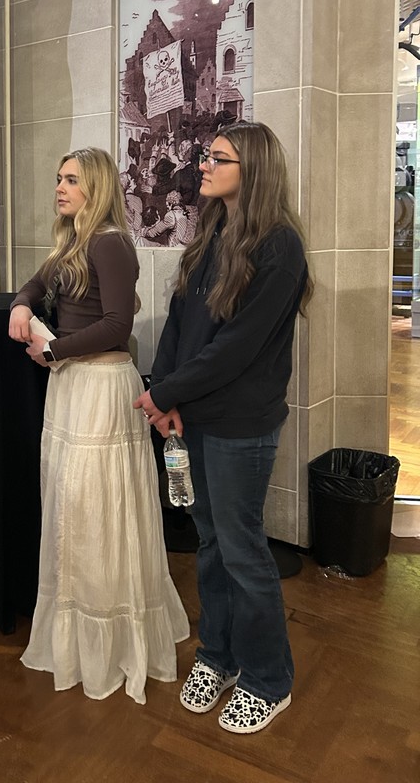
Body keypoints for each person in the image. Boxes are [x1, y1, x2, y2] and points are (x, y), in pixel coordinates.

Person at [135, 120, 312, 734]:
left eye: (217, 159)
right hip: (198, 415)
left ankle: (269, 678)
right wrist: (164, 393)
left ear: (253, 171)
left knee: (242, 549)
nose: (202, 166)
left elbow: (237, 348)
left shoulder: (279, 245)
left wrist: (163, 393)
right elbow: (182, 326)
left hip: (241, 422)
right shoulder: (209, 235)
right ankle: (219, 654)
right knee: (211, 543)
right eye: (207, 156)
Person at [8, 147, 189, 705]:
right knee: (72, 505)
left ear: (97, 188)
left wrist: (55, 348)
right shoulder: (71, 243)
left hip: (100, 387)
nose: (59, 188)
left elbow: (115, 326)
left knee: (98, 506)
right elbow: (33, 288)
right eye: (58, 178)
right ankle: (78, 627)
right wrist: (19, 306)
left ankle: (111, 633)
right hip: (71, 388)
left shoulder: (110, 242)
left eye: (71, 180)